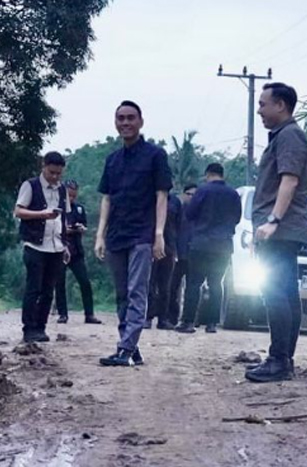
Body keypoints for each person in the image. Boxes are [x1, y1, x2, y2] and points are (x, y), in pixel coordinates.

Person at [95, 100, 173, 366]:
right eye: (121, 118)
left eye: (130, 118)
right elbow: (107, 198)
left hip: (142, 234)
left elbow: (161, 195)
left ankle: (125, 349)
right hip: (116, 235)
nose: (125, 122)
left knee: (136, 291)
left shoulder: (155, 155)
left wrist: (158, 234)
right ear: (115, 123)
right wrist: (100, 235)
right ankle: (130, 346)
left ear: (140, 122)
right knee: (121, 294)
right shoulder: (112, 160)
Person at [245, 82, 307, 383]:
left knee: (276, 292)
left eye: (263, 104)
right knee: (285, 292)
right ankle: (283, 359)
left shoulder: (289, 136)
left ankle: (279, 360)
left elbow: (290, 180)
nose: (259, 110)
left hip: (281, 230)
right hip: (284, 229)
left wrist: (273, 220)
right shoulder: (285, 136)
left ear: (280, 105)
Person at [175, 163, 241, 334]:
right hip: (223, 246)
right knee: (216, 284)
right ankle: (212, 323)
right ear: (222, 174)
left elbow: (190, 213)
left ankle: (188, 322)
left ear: (208, 174)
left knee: (194, 283)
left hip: (201, 244)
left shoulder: (202, 191)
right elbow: (237, 218)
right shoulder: (233, 194)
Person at [15, 152, 71, 343]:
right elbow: (18, 211)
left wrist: (66, 244)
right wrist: (41, 214)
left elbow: (64, 219)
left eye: (58, 173)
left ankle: (41, 327)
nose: (54, 177)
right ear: (43, 166)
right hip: (35, 245)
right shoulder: (30, 185)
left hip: (56, 247)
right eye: (51, 172)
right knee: (34, 288)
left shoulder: (62, 190)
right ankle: (28, 328)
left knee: (48, 290)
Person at [55, 179, 102, 325]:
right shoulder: (57, 209)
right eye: (69, 195)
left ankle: (89, 314)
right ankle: (62, 314)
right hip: (60, 250)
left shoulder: (79, 209)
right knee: (59, 283)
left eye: (74, 196)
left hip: (76, 251)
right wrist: (65, 230)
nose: (71, 199)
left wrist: (80, 228)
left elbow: (84, 226)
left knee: (85, 282)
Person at [145, 192, 181, 330]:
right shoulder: (148, 197)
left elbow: (179, 225)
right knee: (149, 283)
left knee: (165, 285)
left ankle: (163, 318)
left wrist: (176, 248)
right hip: (149, 244)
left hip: (169, 247)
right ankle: (148, 316)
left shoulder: (175, 202)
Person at [168, 183, 197, 326]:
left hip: (194, 255)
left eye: (194, 195)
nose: (191, 197)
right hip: (178, 253)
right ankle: (171, 316)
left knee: (192, 288)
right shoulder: (177, 210)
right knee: (172, 286)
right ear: (184, 195)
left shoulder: (200, 213)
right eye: (189, 194)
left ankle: (189, 318)